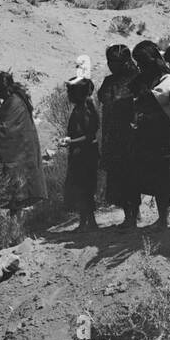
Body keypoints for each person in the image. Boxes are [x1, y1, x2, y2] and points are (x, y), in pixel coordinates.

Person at [0, 70, 46, 213]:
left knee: (18, 195)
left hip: (19, 154)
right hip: (21, 151)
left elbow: (5, 130)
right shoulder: (15, 99)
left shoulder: (14, 102)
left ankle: (15, 230)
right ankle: (15, 229)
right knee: (16, 196)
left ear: (2, 89)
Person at [130, 41, 170, 231]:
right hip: (147, 133)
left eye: (142, 61)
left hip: (162, 134)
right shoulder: (147, 79)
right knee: (150, 176)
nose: (140, 66)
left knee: (162, 177)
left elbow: (158, 102)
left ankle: (164, 218)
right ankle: (155, 217)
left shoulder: (166, 79)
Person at [98, 44, 141, 229]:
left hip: (131, 136)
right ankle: (128, 214)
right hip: (112, 135)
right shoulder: (109, 81)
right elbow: (103, 98)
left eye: (115, 62)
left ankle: (133, 215)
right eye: (109, 62)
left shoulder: (136, 80)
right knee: (117, 176)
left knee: (131, 175)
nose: (111, 65)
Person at [61, 64, 100, 232]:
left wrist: (71, 141)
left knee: (85, 188)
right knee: (83, 188)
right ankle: (85, 221)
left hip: (85, 155)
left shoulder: (85, 110)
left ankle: (89, 223)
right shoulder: (82, 108)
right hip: (83, 153)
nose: (68, 95)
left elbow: (90, 135)